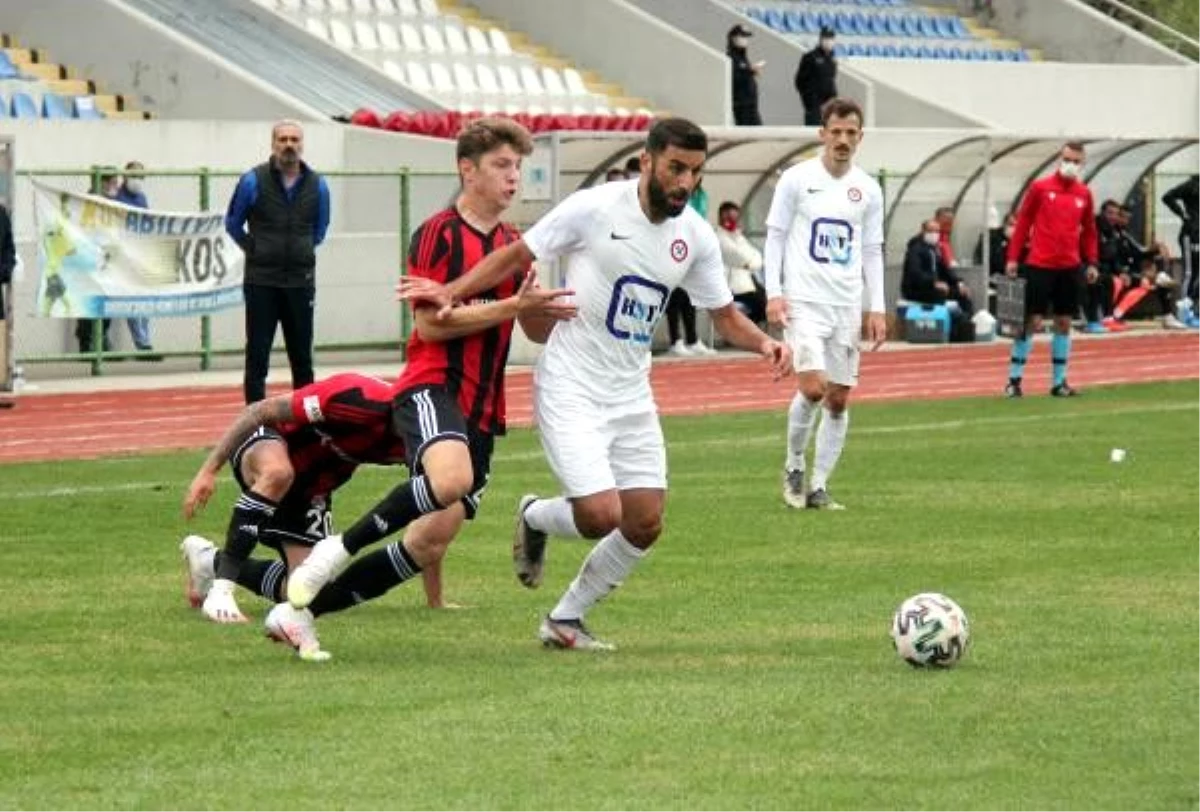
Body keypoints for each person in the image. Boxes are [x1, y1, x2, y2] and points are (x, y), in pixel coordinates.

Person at [399, 117, 792, 651]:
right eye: (676, 168)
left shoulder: (695, 236)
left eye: (695, 173)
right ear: (649, 160)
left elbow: (722, 315)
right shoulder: (595, 208)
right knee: (600, 515)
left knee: (645, 522)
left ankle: (565, 619)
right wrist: (451, 290)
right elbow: (517, 255)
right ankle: (536, 514)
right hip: (571, 384)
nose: (685, 183)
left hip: (630, 392)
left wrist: (765, 342)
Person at [284, 117, 576, 615]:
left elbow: (532, 331)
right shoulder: (437, 235)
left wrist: (558, 311)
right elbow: (431, 327)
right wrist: (510, 307)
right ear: (468, 170)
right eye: (502, 165)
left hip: (484, 406)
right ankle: (333, 551)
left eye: (518, 167)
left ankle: (301, 610)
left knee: (430, 542)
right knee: (451, 479)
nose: (513, 177)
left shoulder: (514, 245)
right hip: (432, 386)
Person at [765, 97, 886, 511]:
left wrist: (878, 306)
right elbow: (775, 237)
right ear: (822, 133)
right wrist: (773, 292)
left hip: (847, 304)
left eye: (851, 133)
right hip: (804, 301)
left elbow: (872, 250)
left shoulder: (868, 189)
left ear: (860, 138)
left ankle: (818, 486)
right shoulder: (796, 179)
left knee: (838, 398)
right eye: (835, 131)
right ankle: (795, 463)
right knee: (814, 389)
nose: (842, 140)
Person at [225, 120, 331, 404]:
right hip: (262, 282)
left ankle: (306, 427)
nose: (289, 145)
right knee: (257, 357)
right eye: (283, 139)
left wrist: (301, 250)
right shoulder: (252, 181)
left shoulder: (318, 185)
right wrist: (255, 249)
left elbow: (319, 230)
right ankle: (254, 423)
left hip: (300, 283)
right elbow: (233, 224)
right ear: (273, 144)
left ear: (302, 145)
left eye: (294, 140)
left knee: (302, 360)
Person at [1004, 140, 1098, 398]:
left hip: (1069, 266)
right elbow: (1023, 222)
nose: (1071, 165)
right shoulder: (1040, 188)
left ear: (1083, 164)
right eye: (1067, 159)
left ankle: (1058, 382)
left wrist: (1091, 261)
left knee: (1064, 322)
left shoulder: (1083, 193)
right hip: (1039, 264)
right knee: (1031, 321)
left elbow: (1089, 230)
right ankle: (1014, 380)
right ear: (1060, 158)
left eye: (1076, 161)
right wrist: (1013, 257)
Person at [114, 160, 159, 357]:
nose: (137, 181)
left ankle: (146, 340)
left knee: (146, 299)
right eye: (134, 176)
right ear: (124, 176)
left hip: (141, 254)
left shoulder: (141, 198)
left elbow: (147, 222)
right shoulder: (117, 198)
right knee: (131, 299)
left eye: (141, 177)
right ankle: (142, 344)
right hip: (123, 256)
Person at [75, 168, 119, 354]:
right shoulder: (88, 203)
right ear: (102, 183)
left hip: (107, 259)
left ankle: (101, 340)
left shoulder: (112, 204)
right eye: (111, 183)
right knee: (88, 303)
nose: (114, 187)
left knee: (107, 302)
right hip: (89, 259)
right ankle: (86, 342)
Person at [902, 219, 974, 320]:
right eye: (931, 231)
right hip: (916, 289)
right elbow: (915, 273)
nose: (934, 234)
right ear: (923, 231)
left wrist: (958, 283)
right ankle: (948, 325)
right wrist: (933, 283)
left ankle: (965, 325)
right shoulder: (915, 249)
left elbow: (944, 269)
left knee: (963, 294)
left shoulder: (933, 250)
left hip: (932, 287)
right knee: (940, 295)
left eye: (937, 231)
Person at [716, 200, 767, 325]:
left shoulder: (738, 236)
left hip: (746, 284)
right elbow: (740, 257)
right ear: (721, 217)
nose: (732, 221)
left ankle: (741, 329)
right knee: (762, 307)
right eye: (728, 217)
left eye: (735, 217)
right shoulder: (719, 237)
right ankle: (740, 330)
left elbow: (758, 257)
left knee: (769, 302)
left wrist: (750, 263)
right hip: (731, 288)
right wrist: (750, 263)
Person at [1162, 174, 1200, 302]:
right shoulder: (1192, 185)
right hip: (1192, 234)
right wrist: (1183, 215)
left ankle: (1193, 306)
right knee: (1190, 272)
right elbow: (1167, 197)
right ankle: (1184, 310)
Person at [794, 27, 837, 127]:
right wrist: (810, 102)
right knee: (813, 133)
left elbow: (831, 80)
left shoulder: (831, 59)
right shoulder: (810, 57)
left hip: (829, 104)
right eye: (826, 38)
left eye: (831, 38)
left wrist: (834, 97)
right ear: (821, 39)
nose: (829, 41)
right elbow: (799, 81)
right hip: (814, 105)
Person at [727, 23, 763, 126]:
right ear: (733, 38)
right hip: (741, 104)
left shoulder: (742, 57)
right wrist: (750, 71)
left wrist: (751, 72)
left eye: (746, 37)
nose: (745, 39)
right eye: (742, 36)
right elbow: (734, 78)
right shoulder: (731, 58)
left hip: (751, 103)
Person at [933, 206, 960, 271]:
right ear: (936, 218)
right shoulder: (932, 236)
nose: (950, 221)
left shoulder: (944, 236)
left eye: (951, 219)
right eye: (946, 218)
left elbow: (948, 256)